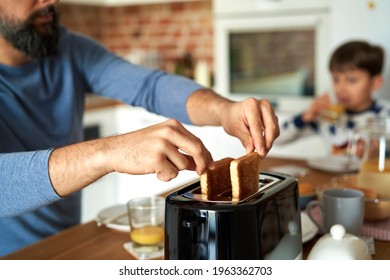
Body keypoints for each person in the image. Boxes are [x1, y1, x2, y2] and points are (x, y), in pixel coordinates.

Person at [0, 1, 280, 256]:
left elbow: (150, 86)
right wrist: (108, 152)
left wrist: (224, 110)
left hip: (68, 242)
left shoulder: (69, 47)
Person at [275, 40, 390, 155]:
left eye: (351, 80)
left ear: (376, 83)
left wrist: (382, 153)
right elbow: (277, 139)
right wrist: (304, 117)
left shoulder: (386, 115)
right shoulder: (327, 117)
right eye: (336, 79)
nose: (341, 88)